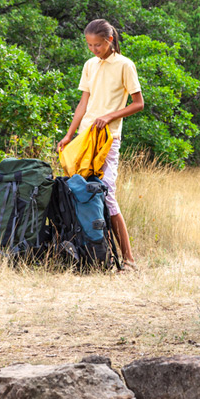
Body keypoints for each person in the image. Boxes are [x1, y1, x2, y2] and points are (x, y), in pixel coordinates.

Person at [57, 19, 144, 271]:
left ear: (110, 40)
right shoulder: (89, 65)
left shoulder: (125, 65)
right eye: (89, 45)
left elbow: (138, 103)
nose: (93, 49)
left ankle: (128, 260)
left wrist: (109, 116)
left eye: (97, 45)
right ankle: (94, 253)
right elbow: (83, 103)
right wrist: (69, 135)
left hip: (109, 139)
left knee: (106, 196)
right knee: (80, 192)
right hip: (85, 137)